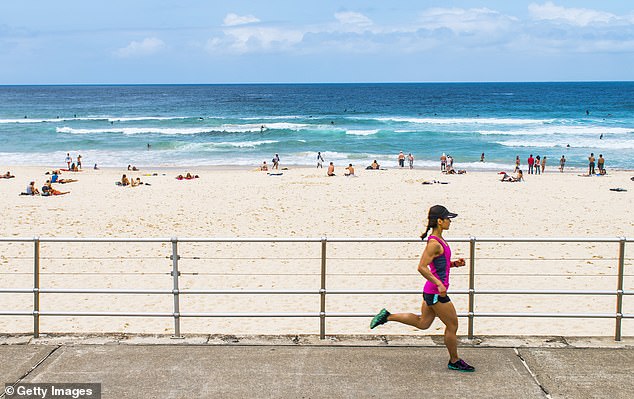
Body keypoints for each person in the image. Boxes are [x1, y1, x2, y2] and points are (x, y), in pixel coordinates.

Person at [370, 205, 474, 372]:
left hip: (431, 291)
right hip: (435, 293)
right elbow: (422, 267)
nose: (450, 222)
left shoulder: (440, 240)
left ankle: (387, 316)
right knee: (453, 325)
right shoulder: (434, 243)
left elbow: (438, 265)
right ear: (439, 221)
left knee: (423, 323)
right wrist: (439, 284)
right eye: (448, 219)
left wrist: (454, 264)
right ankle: (454, 360)